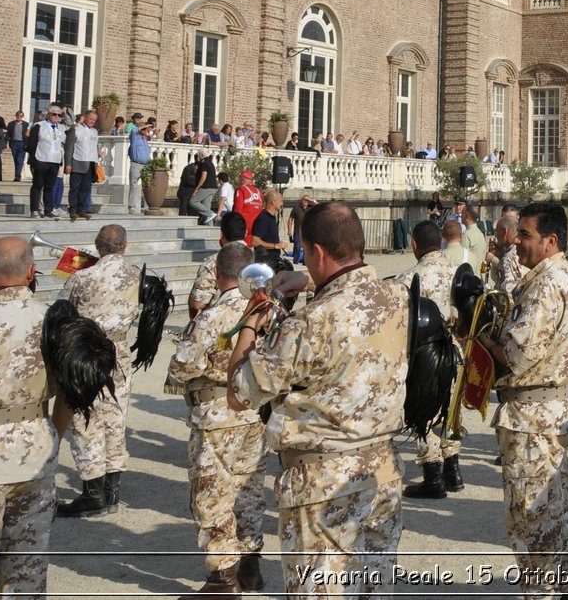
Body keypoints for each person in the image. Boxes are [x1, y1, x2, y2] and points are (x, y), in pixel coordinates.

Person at [227, 201, 410, 597]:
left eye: (307, 254)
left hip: (322, 486)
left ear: (319, 252)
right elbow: (355, 289)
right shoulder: (396, 298)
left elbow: (240, 392)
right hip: (381, 474)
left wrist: (250, 322)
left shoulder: (309, 323)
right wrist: (307, 281)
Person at [479, 201, 568, 598]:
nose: (517, 242)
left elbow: (516, 354)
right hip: (551, 410)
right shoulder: (566, 274)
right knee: (555, 510)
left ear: (550, 240)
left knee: (530, 518)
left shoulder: (544, 284)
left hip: (532, 417)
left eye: (525, 235)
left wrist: (480, 339)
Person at [0, 237, 71, 597]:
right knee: (28, 562)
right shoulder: (54, 324)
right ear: (30, 272)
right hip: (37, 450)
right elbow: (71, 393)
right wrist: (51, 437)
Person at [166, 242, 268, 595]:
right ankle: (251, 567)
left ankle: (223, 579)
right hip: (253, 412)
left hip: (215, 416)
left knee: (211, 496)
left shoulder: (212, 315)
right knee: (249, 489)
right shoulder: (266, 309)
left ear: (217, 273)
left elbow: (182, 367)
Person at [55, 223, 142, 517]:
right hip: (118, 352)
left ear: (97, 246)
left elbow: (61, 310)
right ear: (125, 246)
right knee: (115, 415)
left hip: (87, 353)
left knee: (86, 417)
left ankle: (93, 491)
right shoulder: (136, 274)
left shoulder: (82, 277)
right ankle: (112, 490)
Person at [392, 220, 463, 499]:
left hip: (425, 350)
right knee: (452, 409)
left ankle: (432, 475)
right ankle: (453, 470)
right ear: (442, 242)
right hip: (455, 347)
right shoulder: (459, 271)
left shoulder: (410, 277)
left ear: (415, 245)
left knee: (426, 410)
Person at [189, 213, 249, 320]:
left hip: (219, 324)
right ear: (246, 233)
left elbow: (197, 303)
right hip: (249, 324)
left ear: (222, 234)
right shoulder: (256, 260)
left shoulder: (213, 261)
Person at [27, 106, 66, 218]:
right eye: (54, 114)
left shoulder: (61, 128)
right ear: (48, 114)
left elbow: (61, 145)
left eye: (59, 115)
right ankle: (34, 209)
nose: (56, 117)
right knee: (37, 185)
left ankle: (48, 209)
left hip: (54, 161)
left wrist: (60, 162)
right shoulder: (40, 126)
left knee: (49, 186)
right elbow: (31, 143)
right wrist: (34, 160)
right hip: (41, 159)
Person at [65, 109, 100, 221]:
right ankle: (73, 209)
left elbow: (94, 147)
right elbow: (69, 147)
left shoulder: (95, 132)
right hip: (77, 162)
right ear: (85, 117)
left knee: (86, 188)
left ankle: (82, 209)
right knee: (75, 188)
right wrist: (68, 163)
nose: (92, 121)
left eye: (94, 120)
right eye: (91, 119)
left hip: (90, 163)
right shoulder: (76, 129)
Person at [250, 189, 284, 265]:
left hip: (272, 260)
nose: (282, 204)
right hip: (265, 262)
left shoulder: (271, 217)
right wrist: (275, 246)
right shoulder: (263, 218)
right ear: (273, 202)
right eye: (280, 201)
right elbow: (255, 241)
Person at [125, 120, 152, 215]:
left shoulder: (145, 139)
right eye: (144, 129)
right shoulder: (134, 138)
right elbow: (133, 131)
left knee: (147, 187)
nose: (146, 130)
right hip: (136, 164)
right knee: (134, 186)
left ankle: (147, 207)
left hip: (146, 165)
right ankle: (132, 207)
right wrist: (143, 126)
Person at [7, 110, 29, 182]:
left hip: (22, 143)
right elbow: (8, 134)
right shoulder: (11, 124)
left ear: (22, 117)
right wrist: (5, 143)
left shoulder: (26, 124)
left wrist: (27, 144)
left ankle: (17, 176)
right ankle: (17, 173)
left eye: (21, 116)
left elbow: (28, 135)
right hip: (14, 143)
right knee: (16, 160)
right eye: (18, 116)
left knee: (20, 160)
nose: (19, 117)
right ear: (16, 116)